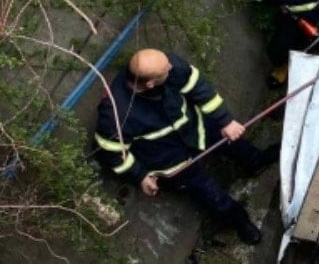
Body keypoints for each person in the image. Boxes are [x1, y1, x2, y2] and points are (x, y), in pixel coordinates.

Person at [94, 49, 276, 245]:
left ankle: (255, 161)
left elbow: (199, 88)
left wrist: (225, 121)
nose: (171, 67)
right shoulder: (115, 114)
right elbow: (112, 152)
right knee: (207, 191)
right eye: (166, 70)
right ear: (150, 83)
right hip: (169, 158)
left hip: (194, 127)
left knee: (229, 139)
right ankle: (238, 220)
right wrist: (140, 175)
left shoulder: (169, 66)